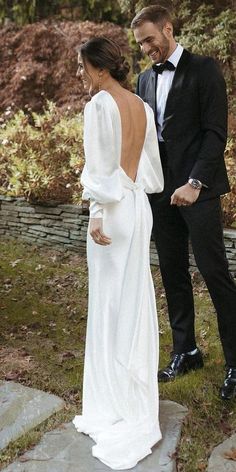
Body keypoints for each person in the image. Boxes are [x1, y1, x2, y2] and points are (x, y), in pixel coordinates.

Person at [131, 5, 236, 401]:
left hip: (199, 191)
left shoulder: (205, 69)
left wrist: (195, 182)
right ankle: (186, 351)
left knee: (214, 274)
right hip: (159, 193)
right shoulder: (143, 80)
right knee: (173, 273)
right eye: (140, 43)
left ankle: (235, 362)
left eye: (150, 40)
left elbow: (214, 133)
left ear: (168, 29)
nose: (146, 49)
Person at [72, 37, 164, 469]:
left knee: (108, 305)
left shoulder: (99, 106)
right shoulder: (142, 106)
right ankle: (134, 398)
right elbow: (148, 169)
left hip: (111, 210)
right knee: (133, 298)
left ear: (100, 68)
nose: (81, 75)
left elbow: (99, 166)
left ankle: (110, 403)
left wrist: (95, 214)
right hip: (138, 208)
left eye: (83, 67)